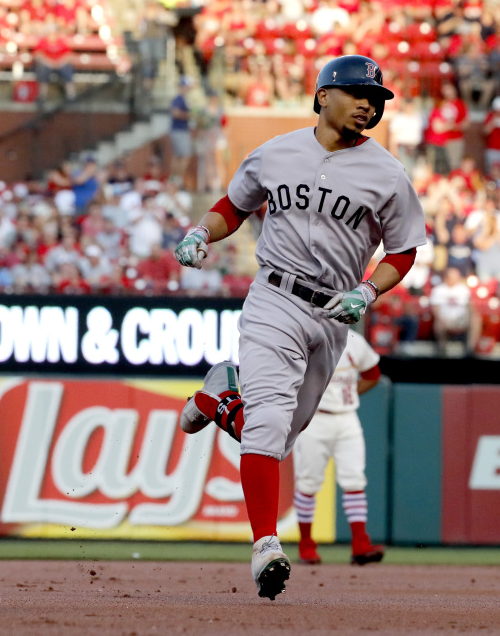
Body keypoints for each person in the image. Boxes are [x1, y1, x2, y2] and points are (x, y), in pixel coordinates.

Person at [174, 55, 426, 600]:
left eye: (376, 99)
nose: (368, 104)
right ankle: (266, 544)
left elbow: (404, 249)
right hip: (274, 297)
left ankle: (218, 397)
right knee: (266, 426)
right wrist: (202, 231)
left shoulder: (387, 173)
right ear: (321, 96)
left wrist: (367, 289)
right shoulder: (277, 151)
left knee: (279, 438)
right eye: (358, 93)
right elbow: (234, 206)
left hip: (334, 314)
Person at [292, 328, 385, 567]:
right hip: (314, 419)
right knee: (308, 482)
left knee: (354, 480)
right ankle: (306, 545)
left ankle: (360, 544)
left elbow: (373, 374)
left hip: (347, 418)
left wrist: (352, 393)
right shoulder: (308, 338)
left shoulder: (355, 341)